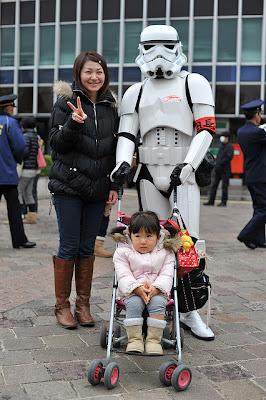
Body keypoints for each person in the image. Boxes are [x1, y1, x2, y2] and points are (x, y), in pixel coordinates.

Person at [111, 25, 215, 340]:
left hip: (182, 173)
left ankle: (188, 311)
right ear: (141, 48)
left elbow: (206, 129)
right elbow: (127, 134)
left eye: (165, 45)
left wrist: (188, 165)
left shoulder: (194, 83)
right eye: (151, 45)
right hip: (148, 175)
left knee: (187, 244)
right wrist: (121, 164)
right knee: (150, 243)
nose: (159, 52)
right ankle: (155, 307)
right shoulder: (135, 91)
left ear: (177, 47)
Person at [49, 51, 119, 329]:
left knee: (87, 247)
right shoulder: (64, 103)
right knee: (69, 246)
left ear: (105, 76)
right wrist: (73, 124)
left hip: (98, 188)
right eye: (89, 71)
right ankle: (62, 306)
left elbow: (115, 151)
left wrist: (114, 185)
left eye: (99, 72)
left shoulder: (111, 106)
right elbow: (56, 143)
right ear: (79, 73)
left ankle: (84, 304)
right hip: (68, 187)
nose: (94, 77)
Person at [112, 211, 181, 354]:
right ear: (129, 236)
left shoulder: (165, 251)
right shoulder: (123, 252)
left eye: (149, 236)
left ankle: (153, 341)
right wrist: (136, 288)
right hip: (132, 291)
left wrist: (157, 288)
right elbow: (123, 274)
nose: (143, 241)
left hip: (157, 291)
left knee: (158, 304)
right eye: (137, 236)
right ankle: (135, 340)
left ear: (158, 237)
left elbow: (167, 274)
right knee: (134, 304)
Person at [0, 94, 36, 249]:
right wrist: (16, 159)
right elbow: (21, 146)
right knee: (14, 210)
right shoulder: (9, 122)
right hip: (6, 175)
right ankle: (19, 240)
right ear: (8, 108)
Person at [237, 99, 266, 250]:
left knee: (259, 208)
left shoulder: (241, 131)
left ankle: (259, 239)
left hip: (251, 175)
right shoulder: (258, 132)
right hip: (261, 176)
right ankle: (245, 234)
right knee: (263, 210)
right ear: (256, 115)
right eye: (260, 113)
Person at [203, 132, 234, 207]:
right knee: (214, 186)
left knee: (224, 186)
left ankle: (223, 202)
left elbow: (229, 157)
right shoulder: (221, 146)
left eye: (223, 136)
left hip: (225, 170)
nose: (222, 138)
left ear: (227, 138)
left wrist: (220, 163)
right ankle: (211, 201)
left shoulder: (230, 146)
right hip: (218, 169)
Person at [18, 117, 39, 224]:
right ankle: (31, 216)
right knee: (28, 193)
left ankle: (21, 215)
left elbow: (24, 152)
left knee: (19, 191)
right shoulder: (35, 136)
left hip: (26, 168)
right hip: (33, 169)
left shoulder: (26, 136)